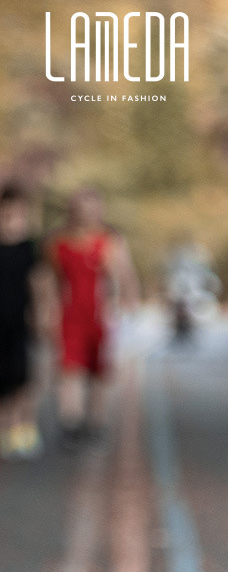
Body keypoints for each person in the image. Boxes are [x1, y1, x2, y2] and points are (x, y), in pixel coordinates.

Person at [46, 188, 139, 446]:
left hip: (99, 314)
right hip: (70, 312)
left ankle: (96, 421)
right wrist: (46, 309)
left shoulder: (108, 241)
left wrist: (128, 304)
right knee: (69, 368)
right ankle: (70, 420)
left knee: (99, 370)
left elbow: (124, 275)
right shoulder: (59, 243)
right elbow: (51, 280)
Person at [0, 184, 46, 459]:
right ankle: (6, 430)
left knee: (25, 377)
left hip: (20, 319)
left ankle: (24, 430)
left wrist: (42, 313)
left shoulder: (30, 247)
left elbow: (39, 283)